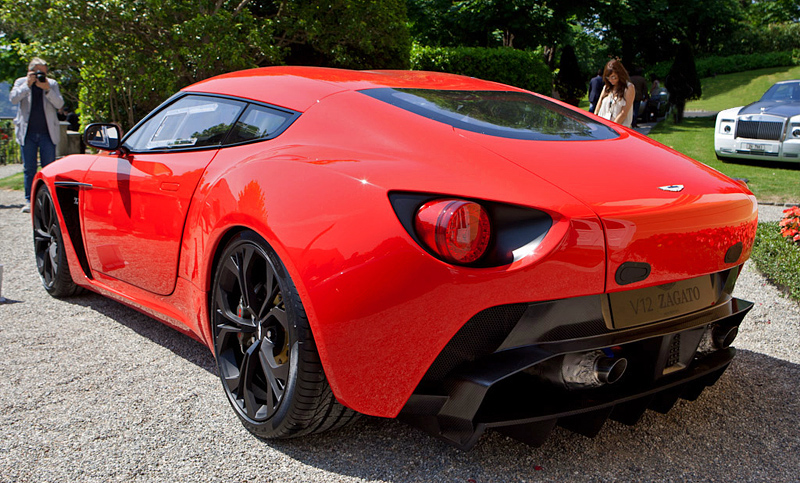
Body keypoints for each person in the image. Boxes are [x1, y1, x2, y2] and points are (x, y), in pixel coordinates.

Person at [10, 57, 64, 213]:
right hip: (27, 133)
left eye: (44, 72)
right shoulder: (21, 82)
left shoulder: (51, 84)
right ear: (30, 70)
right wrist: (27, 85)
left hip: (47, 132)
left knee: (49, 166)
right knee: (29, 168)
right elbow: (13, 99)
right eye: (38, 72)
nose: (41, 75)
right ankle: (29, 200)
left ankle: (49, 199)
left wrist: (47, 89)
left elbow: (59, 104)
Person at [593, 59, 635, 128]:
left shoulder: (629, 88)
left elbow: (623, 113)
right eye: (608, 78)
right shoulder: (606, 87)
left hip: (619, 129)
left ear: (620, 74)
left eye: (613, 77)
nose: (611, 80)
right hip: (602, 127)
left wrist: (612, 128)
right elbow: (598, 106)